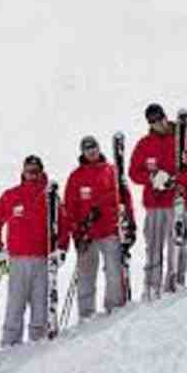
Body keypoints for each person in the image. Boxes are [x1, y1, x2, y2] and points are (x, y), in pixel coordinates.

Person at [0, 155, 69, 347]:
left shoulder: (50, 196)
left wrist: (61, 249)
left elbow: (63, 224)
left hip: (43, 259)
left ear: (41, 172)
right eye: (29, 170)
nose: (32, 174)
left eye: (36, 170)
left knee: (40, 304)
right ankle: (9, 345)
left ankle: (38, 346)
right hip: (18, 260)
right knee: (15, 304)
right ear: (23, 172)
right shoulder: (11, 195)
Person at [129, 103, 187, 298]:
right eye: (152, 121)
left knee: (178, 243)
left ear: (164, 117)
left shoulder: (182, 140)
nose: (156, 124)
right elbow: (133, 172)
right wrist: (152, 178)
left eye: (158, 119)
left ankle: (176, 282)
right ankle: (152, 286)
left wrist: (176, 181)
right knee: (153, 246)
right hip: (154, 204)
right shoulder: (144, 144)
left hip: (177, 202)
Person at [64, 136, 135, 319]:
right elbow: (69, 207)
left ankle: (114, 308)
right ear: (83, 152)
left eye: (94, 147)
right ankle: (86, 314)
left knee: (113, 271)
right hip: (87, 234)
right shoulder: (76, 176)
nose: (92, 151)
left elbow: (125, 198)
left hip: (110, 230)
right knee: (86, 275)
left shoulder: (111, 171)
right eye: (87, 149)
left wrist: (130, 223)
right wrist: (77, 231)